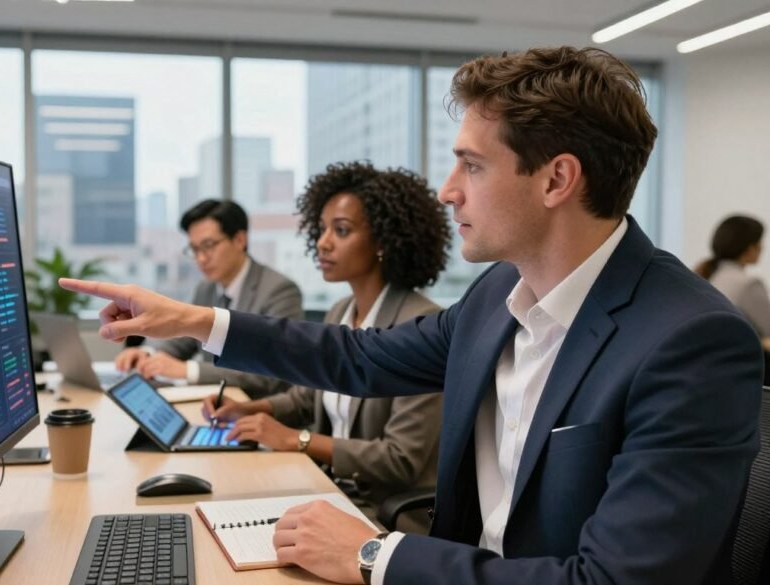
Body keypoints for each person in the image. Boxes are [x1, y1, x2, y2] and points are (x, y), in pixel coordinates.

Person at [61, 46, 763, 585]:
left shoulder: (690, 342)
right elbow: (360, 358)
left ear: (556, 179)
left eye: (472, 167)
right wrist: (193, 318)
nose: (448, 191)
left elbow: (608, 580)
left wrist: (375, 554)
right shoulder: (497, 296)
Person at [202, 161, 451, 520]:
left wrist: (296, 440)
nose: (323, 243)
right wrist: (251, 410)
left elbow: (400, 459)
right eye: (321, 230)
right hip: (331, 490)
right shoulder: (340, 310)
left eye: (342, 230)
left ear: (382, 239)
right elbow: (308, 397)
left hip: (383, 512)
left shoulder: (421, 324)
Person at [113, 199, 302, 398]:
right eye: (194, 249)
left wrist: (188, 370)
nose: (201, 258)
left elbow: (269, 375)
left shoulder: (279, 291)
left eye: (209, 245)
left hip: (261, 412)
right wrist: (147, 354)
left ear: (239, 240)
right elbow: (182, 336)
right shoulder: (206, 288)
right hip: (215, 404)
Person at [696, 215, 770, 347]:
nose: (762, 247)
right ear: (750, 248)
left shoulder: (709, 275)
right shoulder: (748, 284)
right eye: (759, 242)